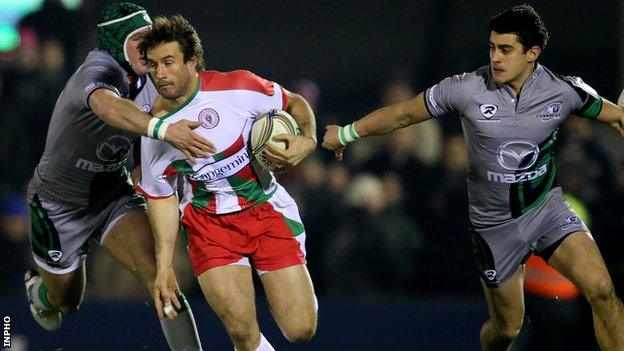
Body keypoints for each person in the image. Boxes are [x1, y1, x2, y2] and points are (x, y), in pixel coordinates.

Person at [322, 4, 624, 351]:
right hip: (493, 226)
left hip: (547, 211)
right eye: (492, 47)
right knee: (506, 330)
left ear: (532, 53)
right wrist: (346, 134)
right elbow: (404, 114)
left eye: (506, 49)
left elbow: (617, 118)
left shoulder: (563, 91)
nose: (495, 57)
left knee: (602, 289)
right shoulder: (465, 88)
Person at [24, 3, 212, 350]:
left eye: (150, 38)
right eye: (138, 39)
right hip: (56, 203)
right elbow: (109, 107)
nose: (147, 47)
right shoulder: (98, 69)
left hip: (111, 193)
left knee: (162, 276)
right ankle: (40, 292)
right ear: (116, 42)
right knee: (67, 302)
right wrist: (164, 129)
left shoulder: (153, 77)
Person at [136, 15, 318, 351]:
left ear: (192, 62)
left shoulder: (239, 88)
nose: (159, 73)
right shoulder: (154, 129)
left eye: (169, 62)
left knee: (301, 329)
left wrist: (307, 139)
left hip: (265, 212)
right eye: (153, 64)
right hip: (209, 227)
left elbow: (294, 102)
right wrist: (164, 268)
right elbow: (160, 196)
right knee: (242, 334)